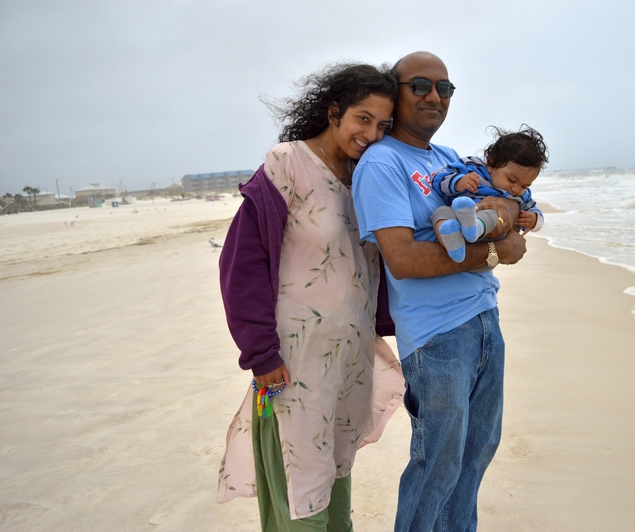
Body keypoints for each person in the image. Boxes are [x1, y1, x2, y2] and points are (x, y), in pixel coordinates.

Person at [217, 63, 403, 532]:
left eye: (383, 126)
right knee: (300, 480)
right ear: (334, 111)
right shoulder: (288, 163)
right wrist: (260, 354)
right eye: (363, 118)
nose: (372, 134)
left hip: (350, 359)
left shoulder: (367, 177)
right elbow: (242, 264)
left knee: (336, 469)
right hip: (291, 361)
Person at [352, 52, 527, 532]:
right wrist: (493, 252)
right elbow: (404, 260)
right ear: (397, 91)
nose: (434, 97)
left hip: (485, 320)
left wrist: (507, 224)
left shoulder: (449, 158)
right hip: (436, 338)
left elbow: (506, 210)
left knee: (475, 456)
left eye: (445, 89)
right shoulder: (381, 162)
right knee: (438, 465)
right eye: (421, 86)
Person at [430, 125, 549, 263]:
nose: (516, 189)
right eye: (511, 180)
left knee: (491, 214)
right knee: (440, 213)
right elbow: (438, 179)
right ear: (491, 164)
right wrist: (458, 182)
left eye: (525, 186)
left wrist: (535, 220)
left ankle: (475, 227)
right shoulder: (471, 167)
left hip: (486, 230)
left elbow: (534, 210)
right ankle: (454, 246)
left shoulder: (522, 195)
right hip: (458, 214)